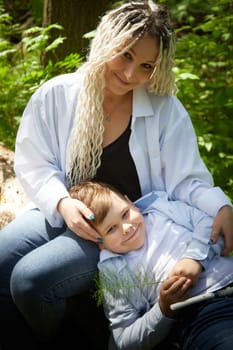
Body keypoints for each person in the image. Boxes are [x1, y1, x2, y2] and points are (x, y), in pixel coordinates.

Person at [0, 0, 233, 346]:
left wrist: (222, 207)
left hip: (122, 230)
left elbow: (188, 179)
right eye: (125, 55)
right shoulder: (58, 95)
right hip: (63, 209)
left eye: (145, 66)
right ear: (108, 41)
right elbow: (34, 163)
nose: (130, 75)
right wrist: (62, 203)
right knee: (2, 256)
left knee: (30, 280)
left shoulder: (163, 108)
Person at [69, 180, 233, 350]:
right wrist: (164, 308)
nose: (126, 227)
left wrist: (195, 259)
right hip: (202, 312)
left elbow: (210, 224)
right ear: (97, 242)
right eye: (111, 229)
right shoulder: (113, 270)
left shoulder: (160, 209)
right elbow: (123, 340)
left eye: (125, 213)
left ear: (130, 202)